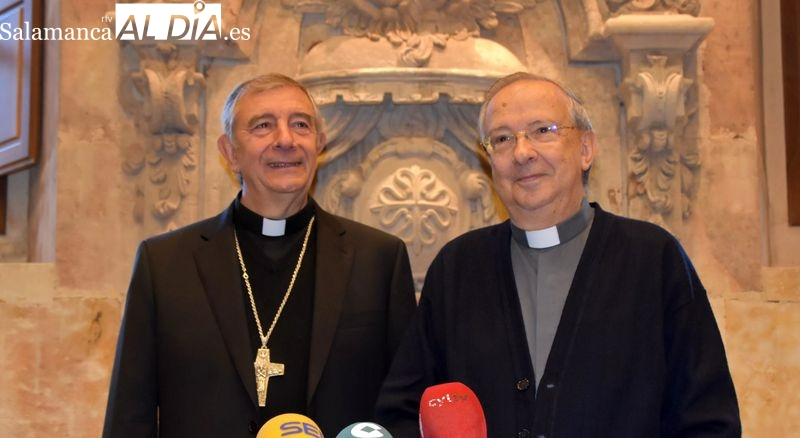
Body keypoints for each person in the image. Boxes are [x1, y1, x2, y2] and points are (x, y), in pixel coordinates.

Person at [375, 72, 741, 437]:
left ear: (585, 149)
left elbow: (707, 421)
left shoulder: (653, 259)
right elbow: (402, 413)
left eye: (542, 131)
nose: (522, 153)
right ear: (490, 162)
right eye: (502, 139)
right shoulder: (457, 268)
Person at [103, 73, 417, 438]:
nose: (285, 140)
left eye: (300, 125)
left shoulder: (378, 259)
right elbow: (130, 416)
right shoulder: (166, 264)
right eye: (263, 126)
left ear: (320, 143)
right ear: (230, 152)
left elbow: (403, 407)